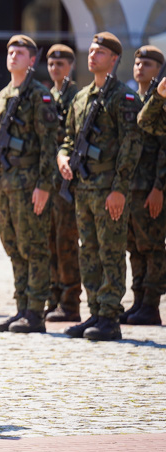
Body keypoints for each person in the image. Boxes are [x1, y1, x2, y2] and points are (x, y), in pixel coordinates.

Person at [57, 32, 143, 341]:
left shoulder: (123, 97)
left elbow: (131, 145)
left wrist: (119, 188)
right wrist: (62, 157)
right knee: (88, 251)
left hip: (109, 188)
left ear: (114, 59)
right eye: (91, 51)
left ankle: (109, 316)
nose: (92, 56)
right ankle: (94, 310)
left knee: (111, 251)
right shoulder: (81, 97)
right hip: (84, 187)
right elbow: (68, 137)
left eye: (100, 53)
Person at [0, 35, 59, 333]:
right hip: (4, 184)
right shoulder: (3, 95)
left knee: (34, 247)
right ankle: (21, 307)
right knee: (14, 246)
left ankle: (35, 313)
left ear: (31, 60)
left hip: (30, 185)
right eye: (10, 51)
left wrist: (44, 185)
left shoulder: (39, 95)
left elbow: (49, 144)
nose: (13, 56)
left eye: (20, 53)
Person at [121, 45, 166, 325]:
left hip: (151, 185)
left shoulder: (160, 101)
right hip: (131, 185)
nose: (140, 67)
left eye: (148, 64)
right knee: (134, 246)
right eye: (138, 63)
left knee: (152, 246)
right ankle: (138, 301)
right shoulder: (131, 99)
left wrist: (159, 187)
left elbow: (164, 147)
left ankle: (151, 304)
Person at [44, 44, 82, 322]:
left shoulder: (76, 96)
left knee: (66, 241)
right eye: (52, 63)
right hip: (48, 178)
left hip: (68, 177)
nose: (56, 68)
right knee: (49, 239)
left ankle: (70, 302)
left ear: (71, 65)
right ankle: (53, 296)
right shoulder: (48, 95)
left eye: (61, 63)